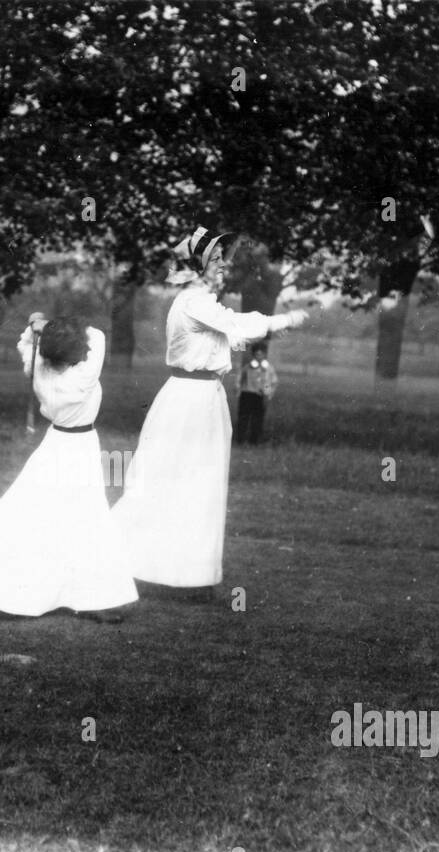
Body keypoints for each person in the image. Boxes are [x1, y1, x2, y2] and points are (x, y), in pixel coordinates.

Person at [111, 226, 309, 592]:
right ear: (197, 265)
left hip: (201, 398)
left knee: (197, 484)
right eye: (216, 260)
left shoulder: (200, 303)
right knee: (173, 481)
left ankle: (188, 574)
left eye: (222, 259)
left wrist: (268, 328)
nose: (223, 266)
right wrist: (281, 320)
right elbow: (236, 325)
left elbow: (230, 335)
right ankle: (119, 560)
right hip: (189, 401)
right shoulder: (194, 302)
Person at [0, 317, 138, 622]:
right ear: (76, 353)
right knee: (86, 519)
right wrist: (50, 326)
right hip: (79, 448)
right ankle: (94, 597)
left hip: (53, 446)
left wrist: (35, 328)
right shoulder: (83, 375)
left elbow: (26, 344)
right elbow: (97, 335)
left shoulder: (39, 369)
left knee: (26, 515)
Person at [235, 341, 278, 445]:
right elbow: (239, 379)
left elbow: (271, 382)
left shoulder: (268, 368)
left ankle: (254, 441)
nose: (258, 356)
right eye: (256, 354)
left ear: (264, 355)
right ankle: (240, 440)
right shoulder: (248, 367)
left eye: (261, 354)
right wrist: (238, 389)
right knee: (243, 418)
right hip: (247, 394)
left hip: (260, 396)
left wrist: (268, 393)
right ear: (253, 355)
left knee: (257, 419)